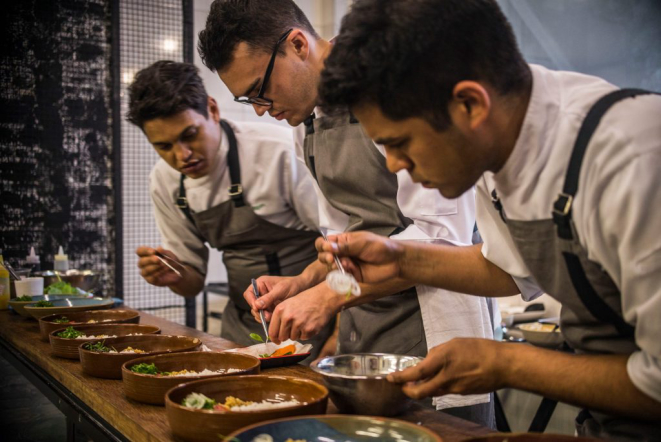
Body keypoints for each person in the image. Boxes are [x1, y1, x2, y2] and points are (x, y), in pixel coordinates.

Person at [314, 0, 661, 439]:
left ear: (470, 105)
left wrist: (505, 363)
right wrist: (401, 259)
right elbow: (508, 269)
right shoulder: (493, 152)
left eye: (399, 143)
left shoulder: (634, 159)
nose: (394, 166)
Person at [198, 0, 495, 426]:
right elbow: (343, 245)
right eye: (248, 100)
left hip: (434, 331)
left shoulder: (393, 86)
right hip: (366, 343)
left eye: (260, 89)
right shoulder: (306, 126)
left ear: (298, 44)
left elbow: (442, 234)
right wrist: (303, 283)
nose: (261, 108)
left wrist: (328, 296)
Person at [127, 60, 334, 359]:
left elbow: (342, 248)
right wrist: (172, 274)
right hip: (241, 326)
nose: (182, 155)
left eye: (190, 135)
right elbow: (192, 282)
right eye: (164, 146)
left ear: (212, 109)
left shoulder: (276, 153)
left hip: (315, 319)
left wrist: (338, 336)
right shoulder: (164, 180)